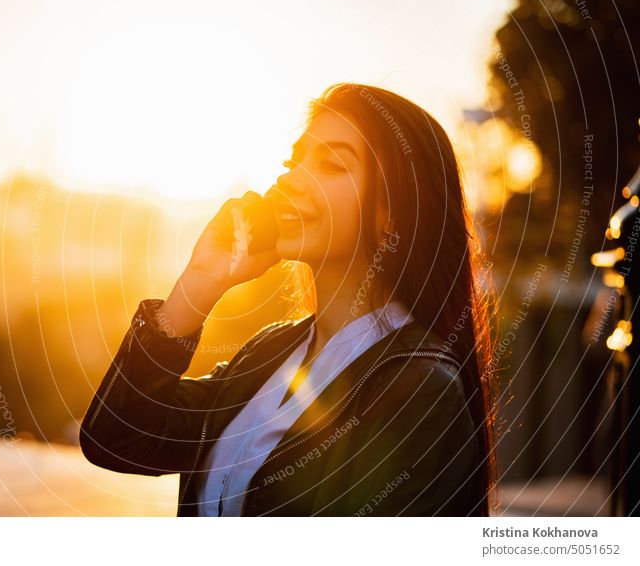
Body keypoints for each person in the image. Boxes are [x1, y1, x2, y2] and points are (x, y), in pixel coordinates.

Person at [79, 82, 498, 516]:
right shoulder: (268, 353)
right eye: (294, 161)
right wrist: (200, 283)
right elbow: (116, 439)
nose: (291, 179)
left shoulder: (418, 388)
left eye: (331, 163)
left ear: (392, 211)